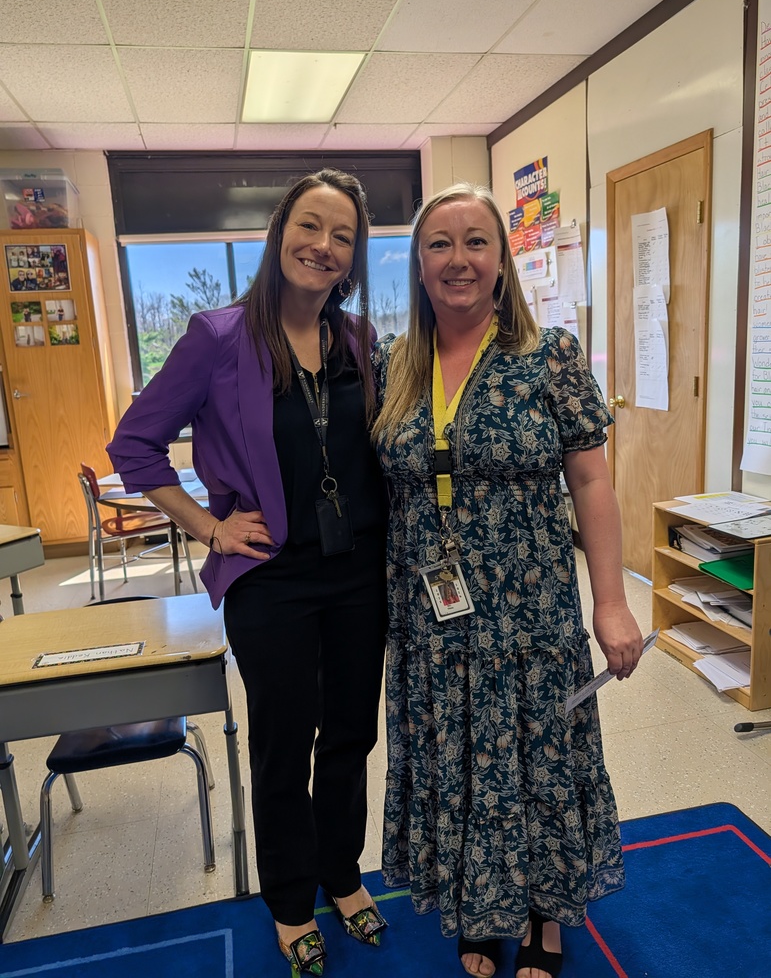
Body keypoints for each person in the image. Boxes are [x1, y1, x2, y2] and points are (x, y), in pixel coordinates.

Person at [107, 169, 389, 975]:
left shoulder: (358, 339)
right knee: (282, 742)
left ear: (353, 256)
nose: (323, 246)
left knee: (350, 733)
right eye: (310, 226)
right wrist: (208, 525)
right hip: (270, 577)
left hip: (357, 571)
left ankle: (342, 873)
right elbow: (135, 445)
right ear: (279, 233)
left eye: (342, 236)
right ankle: (291, 901)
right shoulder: (217, 336)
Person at [371, 182, 643, 978]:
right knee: (456, 758)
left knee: (536, 758)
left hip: (530, 611)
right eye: (439, 243)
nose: (457, 259)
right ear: (418, 263)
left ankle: (541, 919)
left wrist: (610, 602)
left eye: (475, 242)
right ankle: (476, 902)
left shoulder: (549, 355)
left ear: (500, 261)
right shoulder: (394, 363)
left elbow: (590, 482)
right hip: (431, 616)